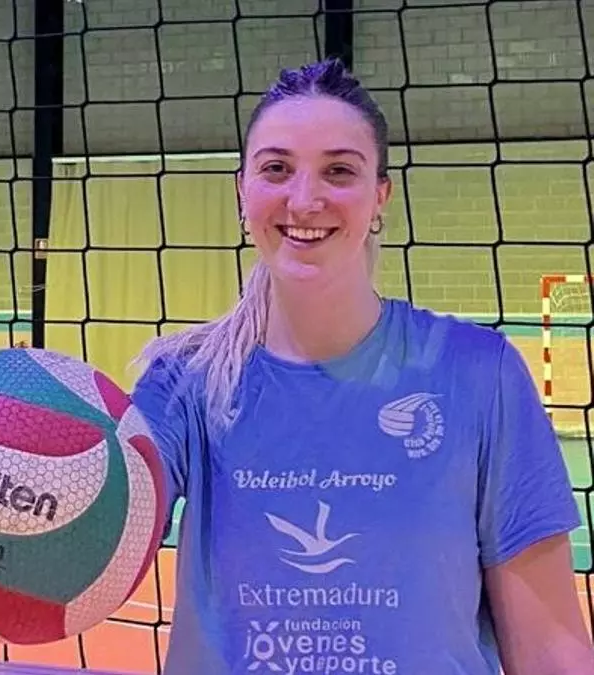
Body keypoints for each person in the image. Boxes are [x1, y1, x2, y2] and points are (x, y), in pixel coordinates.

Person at [131, 58, 594, 674]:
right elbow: (94, 540)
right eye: (276, 168)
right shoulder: (183, 384)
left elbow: (551, 649)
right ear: (242, 190)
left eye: (339, 171)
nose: (304, 199)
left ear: (379, 196)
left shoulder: (480, 375)